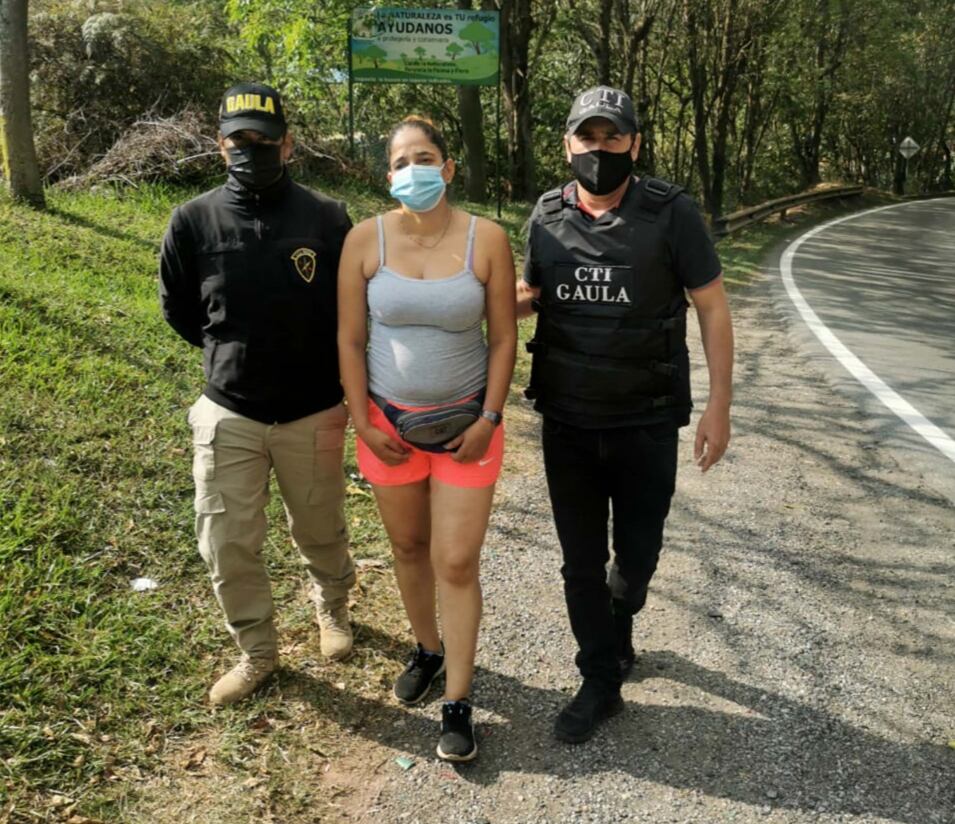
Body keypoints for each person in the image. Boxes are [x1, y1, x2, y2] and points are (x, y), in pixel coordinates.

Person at [517, 86, 734, 743]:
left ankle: (622, 619)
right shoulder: (545, 215)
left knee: (634, 557)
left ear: (635, 144)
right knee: (578, 562)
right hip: (568, 422)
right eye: (588, 137)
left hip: (644, 422)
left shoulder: (672, 214)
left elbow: (713, 308)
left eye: (614, 137)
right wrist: (474, 293)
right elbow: (530, 295)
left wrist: (718, 406)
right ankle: (599, 680)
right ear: (568, 144)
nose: (599, 149)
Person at [159, 82, 356, 706]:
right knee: (225, 539)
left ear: (288, 144)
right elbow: (180, 309)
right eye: (240, 138)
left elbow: (352, 313)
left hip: (314, 409)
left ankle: (333, 608)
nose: (253, 148)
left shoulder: (327, 217)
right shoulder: (192, 219)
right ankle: (257, 652)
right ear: (221, 145)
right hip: (230, 411)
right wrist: (232, 359)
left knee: (320, 527)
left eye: (265, 138)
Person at [337, 117, 517, 762]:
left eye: (427, 156)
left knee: (456, 561)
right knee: (409, 547)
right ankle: (428, 649)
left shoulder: (487, 239)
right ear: (388, 174)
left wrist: (489, 420)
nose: (414, 168)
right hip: (387, 427)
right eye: (401, 160)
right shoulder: (363, 240)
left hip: (470, 426)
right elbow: (350, 339)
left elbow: (503, 339)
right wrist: (362, 420)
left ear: (447, 167)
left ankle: (459, 701)